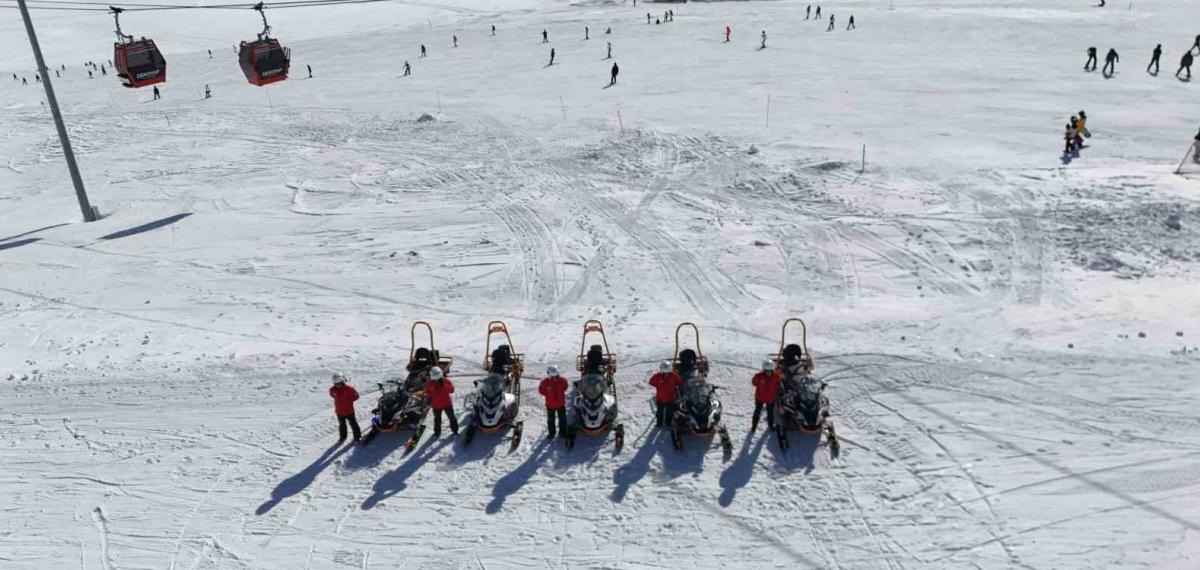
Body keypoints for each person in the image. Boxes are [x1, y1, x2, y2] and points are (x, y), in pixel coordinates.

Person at [329, 372, 362, 442]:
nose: (337, 385)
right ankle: (343, 437)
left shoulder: (349, 389)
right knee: (342, 425)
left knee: (353, 423)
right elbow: (331, 394)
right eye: (336, 384)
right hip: (339, 412)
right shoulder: (332, 389)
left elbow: (356, 395)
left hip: (349, 411)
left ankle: (357, 436)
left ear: (342, 381)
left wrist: (349, 400)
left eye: (339, 383)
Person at [425, 366, 457, 436]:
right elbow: (428, 392)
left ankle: (455, 431)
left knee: (452, 417)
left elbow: (452, 390)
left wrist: (444, 385)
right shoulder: (429, 383)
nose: (436, 380)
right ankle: (437, 432)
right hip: (436, 405)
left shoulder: (446, 381)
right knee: (437, 419)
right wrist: (428, 399)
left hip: (447, 404)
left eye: (438, 378)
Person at [648, 361, 682, 428]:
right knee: (659, 412)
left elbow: (679, 382)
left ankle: (668, 423)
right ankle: (659, 423)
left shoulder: (674, 376)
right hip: (660, 399)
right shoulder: (657, 377)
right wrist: (657, 385)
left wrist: (676, 387)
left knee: (669, 412)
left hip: (670, 399)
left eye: (668, 373)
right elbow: (651, 382)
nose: (666, 374)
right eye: (665, 373)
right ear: (662, 371)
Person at [750, 360, 781, 432]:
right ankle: (754, 426)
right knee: (757, 412)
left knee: (770, 413)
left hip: (770, 399)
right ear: (764, 370)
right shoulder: (759, 376)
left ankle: (771, 426)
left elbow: (778, 383)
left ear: (772, 370)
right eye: (767, 371)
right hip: (760, 398)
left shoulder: (776, 376)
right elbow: (754, 382)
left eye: (770, 371)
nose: (768, 373)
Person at [539, 366, 568, 438]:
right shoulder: (545, 382)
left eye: (556, 376)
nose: (555, 378)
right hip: (551, 405)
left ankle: (562, 432)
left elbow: (565, 387)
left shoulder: (562, 380)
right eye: (554, 377)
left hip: (559, 404)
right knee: (552, 420)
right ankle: (553, 433)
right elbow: (541, 391)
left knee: (562, 419)